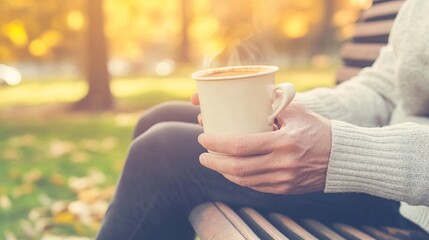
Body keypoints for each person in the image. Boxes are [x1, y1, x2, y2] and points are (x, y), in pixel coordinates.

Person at [96, 0, 429, 239]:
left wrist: (340, 153)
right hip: (388, 155)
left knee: (162, 152)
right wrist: (275, 110)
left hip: (408, 193)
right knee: (160, 116)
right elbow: (384, 89)